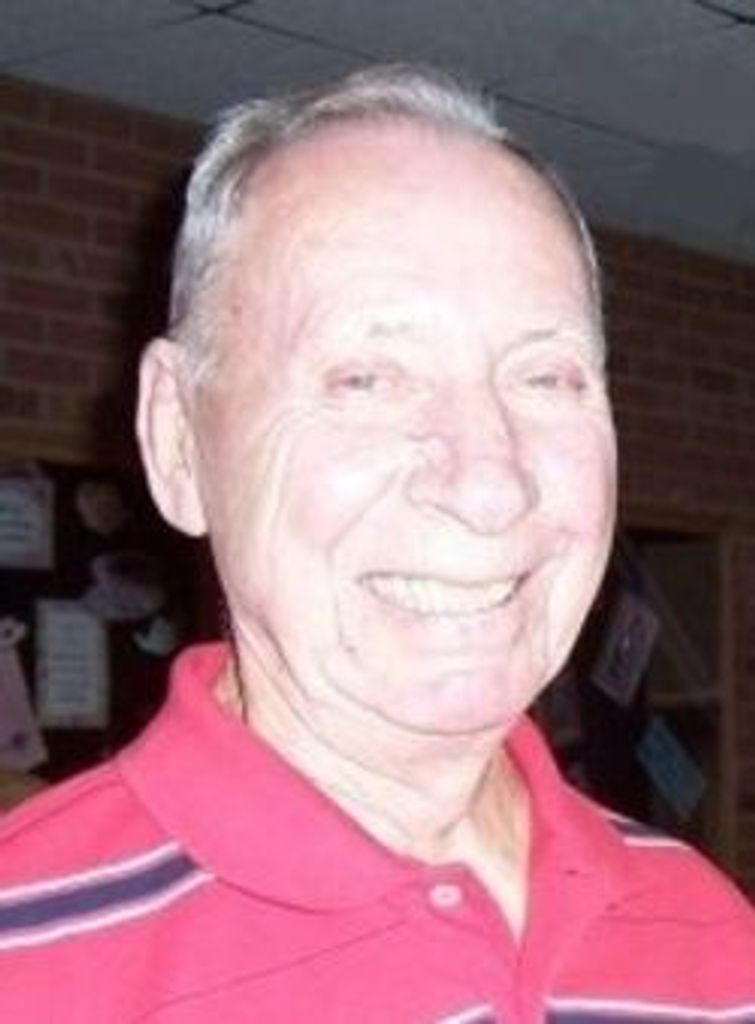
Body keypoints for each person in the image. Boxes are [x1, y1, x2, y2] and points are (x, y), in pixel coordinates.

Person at [1, 64, 753, 1023]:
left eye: (546, 377)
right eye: (366, 378)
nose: (489, 482)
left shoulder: (713, 940)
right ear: (178, 440)